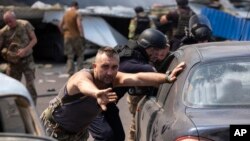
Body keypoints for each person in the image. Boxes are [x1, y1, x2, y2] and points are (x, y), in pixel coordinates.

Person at [40, 47, 185, 141]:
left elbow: (139, 77)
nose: (110, 72)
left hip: (78, 134)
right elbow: (84, 85)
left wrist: (166, 77)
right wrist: (97, 93)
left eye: (114, 67)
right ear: (94, 66)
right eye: (105, 67)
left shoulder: (115, 78)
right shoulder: (81, 77)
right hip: (54, 131)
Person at [88, 28, 172, 141]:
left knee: (119, 136)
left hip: (108, 103)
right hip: (91, 102)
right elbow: (152, 77)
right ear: (147, 47)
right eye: (155, 51)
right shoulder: (139, 65)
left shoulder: (131, 53)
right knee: (106, 136)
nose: (157, 55)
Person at [0, 10, 38, 103]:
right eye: (6, 22)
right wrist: (7, 53)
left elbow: (34, 40)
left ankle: (32, 106)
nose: (9, 23)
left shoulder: (25, 25)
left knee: (30, 85)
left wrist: (25, 50)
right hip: (13, 64)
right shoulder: (3, 32)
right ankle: (14, 107)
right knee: (12, 87)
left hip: (27, 60)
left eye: (10, 21)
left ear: (15, 18)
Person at [59, 1, 85, 76]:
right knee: (80, 54)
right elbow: (79, 25)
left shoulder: (66, 14)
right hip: (76, 37)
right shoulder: (77, 13)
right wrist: (82, 35)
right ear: (76, 6)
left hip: (67, 37)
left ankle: (70, 73)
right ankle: (80, 72)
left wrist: (63, 33)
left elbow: (60, 25)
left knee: (70, 56)